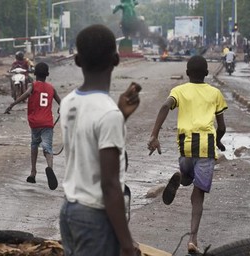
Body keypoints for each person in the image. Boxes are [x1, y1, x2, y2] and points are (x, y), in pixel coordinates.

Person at [59, 24, 141, 256]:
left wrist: (120, 116)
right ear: (116, 59)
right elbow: (109, 185)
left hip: (70, 211)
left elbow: (87, 141)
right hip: (95, 217)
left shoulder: (68, 102)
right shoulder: (108, 114)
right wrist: (126, 243)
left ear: (77, 61)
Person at [147, 55, 228, 254]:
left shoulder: (179, 91)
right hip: (206, 145)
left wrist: (154, 135)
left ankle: (181, 177)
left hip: (186, 144)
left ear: (187, 73)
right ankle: (192, 239)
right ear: (207, 73)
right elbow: (222, 126)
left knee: (186, 176)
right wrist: (218, 140)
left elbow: (165, 106)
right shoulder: (215, 93)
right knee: (198, 193)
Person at [4, 63, 61, 190]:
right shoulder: (51, 88)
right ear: (47, 75)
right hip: (47, 123)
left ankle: (33, 172)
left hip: (35, 122)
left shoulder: (33, 85)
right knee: (47, 147)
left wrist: (13, 104)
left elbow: (26, 94)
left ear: (35, 74)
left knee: (35, 144)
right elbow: (61, 102)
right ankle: (49, 168)